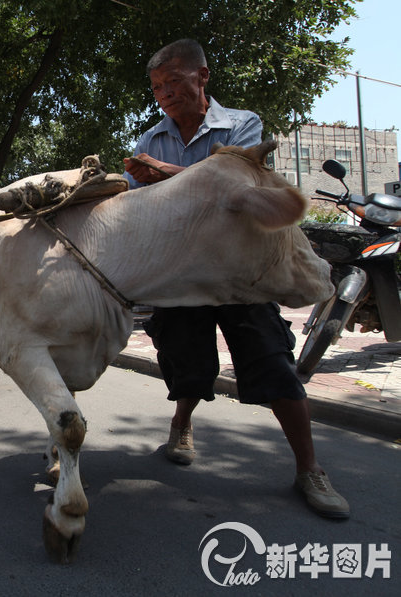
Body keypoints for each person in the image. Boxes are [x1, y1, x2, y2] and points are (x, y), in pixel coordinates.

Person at [123, 39, 349, 519]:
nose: (164, 94)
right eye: (157, 87)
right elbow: (139, 207)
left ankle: (309, 468)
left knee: (272, 362)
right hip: (180, 274)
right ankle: (181, 424)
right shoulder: (149, 139)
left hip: (240, 274)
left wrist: (163, 174)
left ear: (202, 77)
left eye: (174, 82)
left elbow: (234, 188)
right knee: (187, 361)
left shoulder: (242, 125)